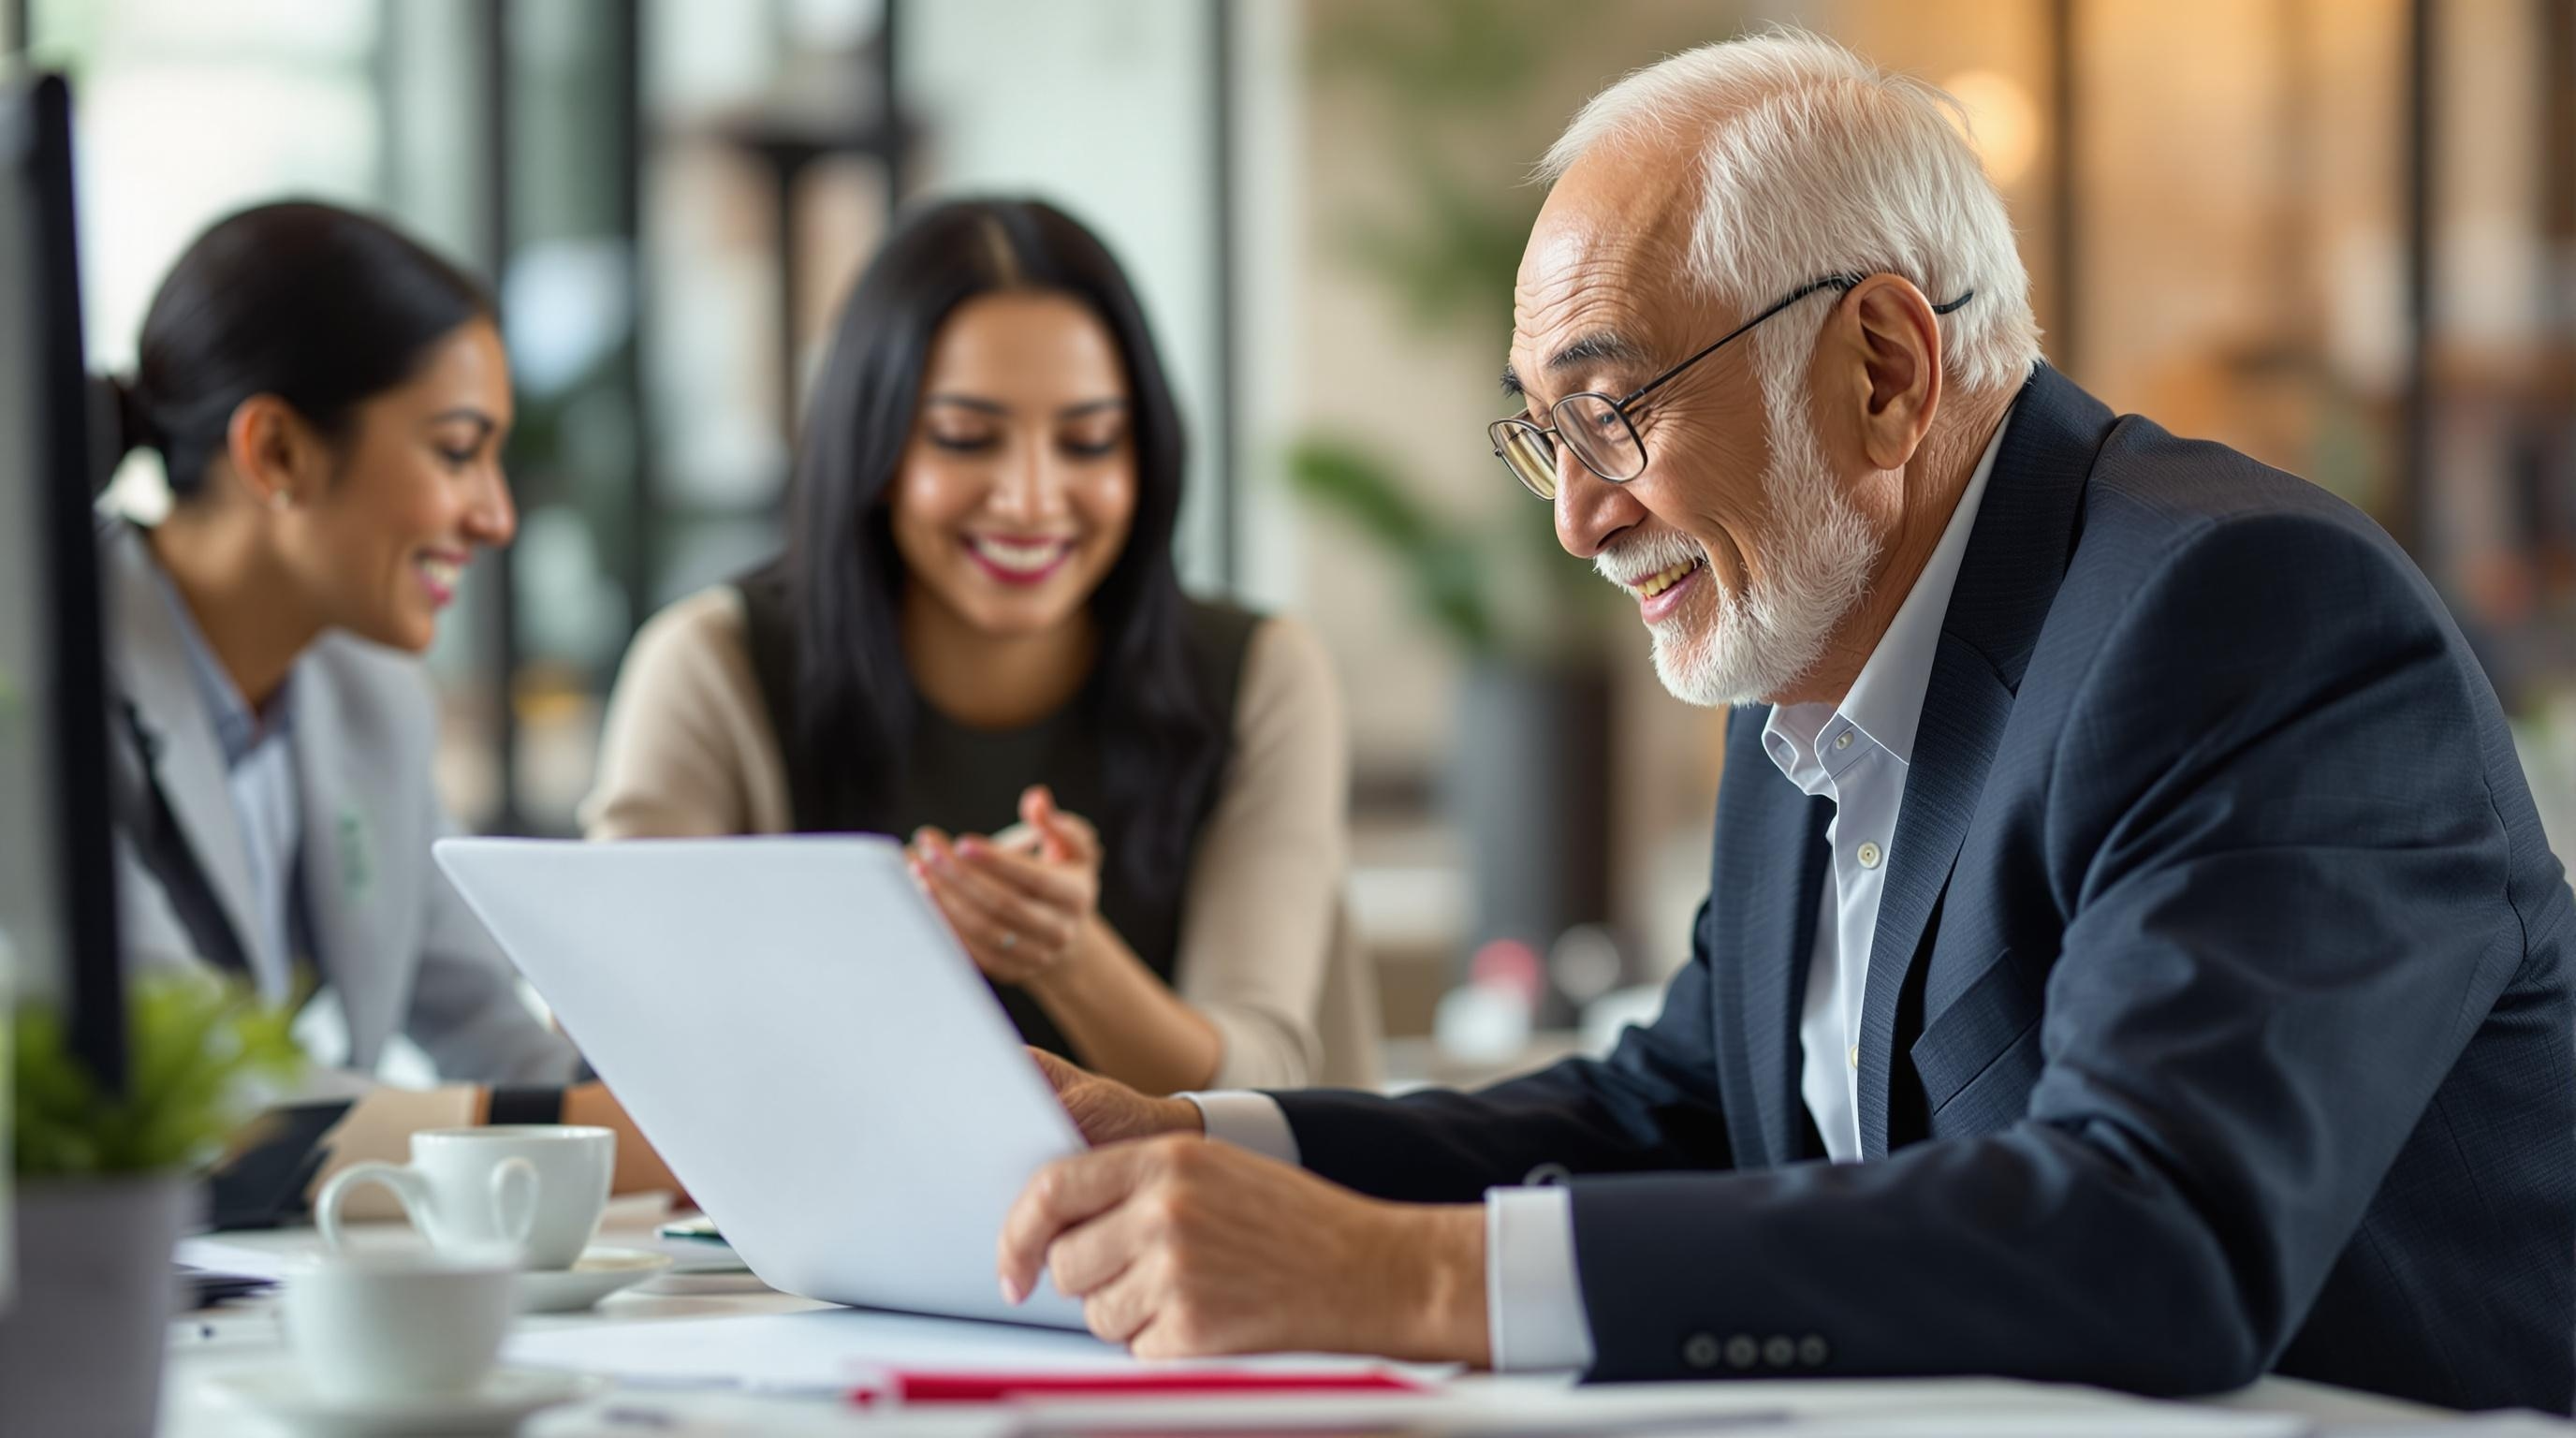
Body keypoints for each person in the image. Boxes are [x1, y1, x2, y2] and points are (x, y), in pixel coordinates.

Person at [988, 33, 2574, 1414]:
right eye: (1544, 436)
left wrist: (1401, 1280)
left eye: (1612, 411)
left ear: (1882, 369)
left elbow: (2153, 1233)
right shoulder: (1808, 660)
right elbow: (1677, 1117)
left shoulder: (2243, 614)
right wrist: (1202, 1151)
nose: (1578, 518)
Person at [583, 198, 1375, 1095]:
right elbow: (623, 1031)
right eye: (966, 438)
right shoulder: (712, 665)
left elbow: (1267, 1081)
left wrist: (1071, 958)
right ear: (876, 450)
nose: (1031, 499)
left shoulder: (1262, 675)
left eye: (1089, 442)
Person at [100, 200, 673, 1193]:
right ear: (276, 452)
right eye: (455, 452)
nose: (496, 516)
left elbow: (491, 1029)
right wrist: (601, 1137)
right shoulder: (47, 683)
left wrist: (671, 1109)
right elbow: (186, 1098)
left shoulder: (369, 694)